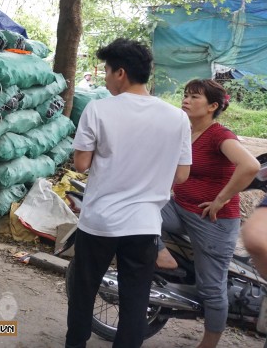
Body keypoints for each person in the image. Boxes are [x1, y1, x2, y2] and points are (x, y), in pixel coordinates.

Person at [66, 38, 192, 348]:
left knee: (83, 291)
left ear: (120, 72)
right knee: (135, 300)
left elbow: (81, 163)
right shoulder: (177, 118)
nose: (105, 78)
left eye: (107, 71)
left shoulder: (98, 109)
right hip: (145, 224)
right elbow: (182, 174)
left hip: (100, 221)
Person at [154, 79, 259, 348]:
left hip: (212, 221)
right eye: (186, 95)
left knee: (211, 288)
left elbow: (250, 165)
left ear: (213, 106)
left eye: (194, 97)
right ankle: (159, 253)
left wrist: (220, 199)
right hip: (180, 207)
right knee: (139, 209)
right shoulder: (186, 131)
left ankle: (208, 344)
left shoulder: (219, 135)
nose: (186, 100)